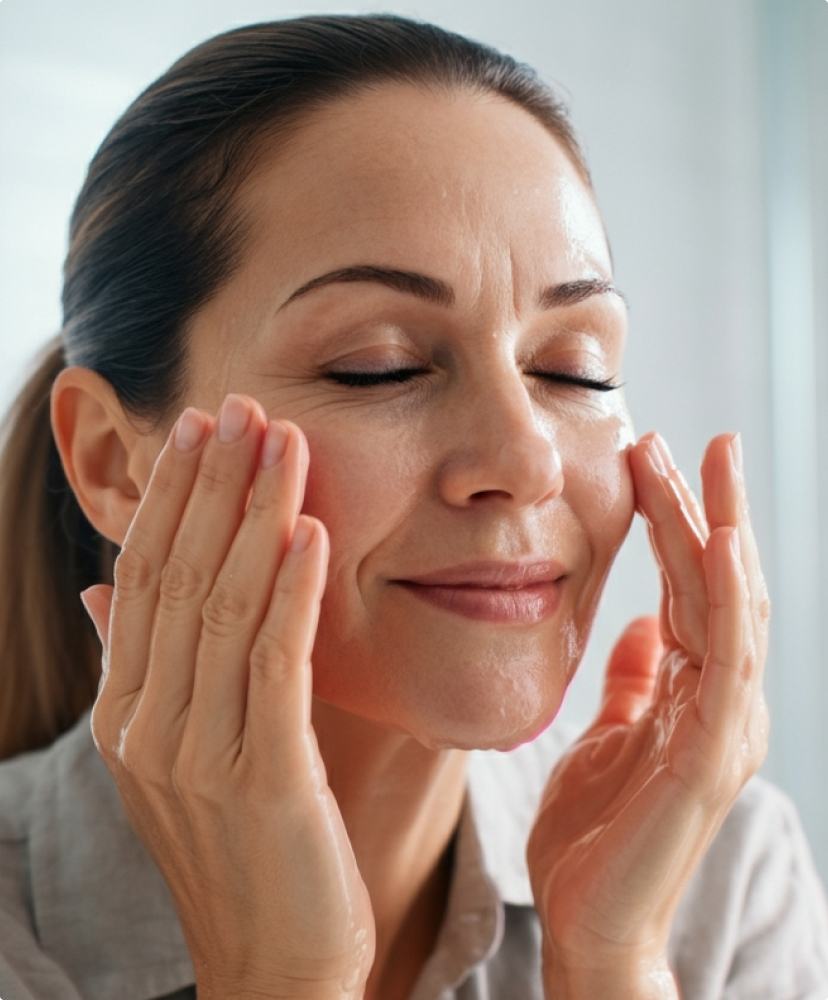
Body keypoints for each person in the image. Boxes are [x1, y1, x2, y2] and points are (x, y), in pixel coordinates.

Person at [0, 13, 826, 1000]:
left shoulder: (721, 879)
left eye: (576, 369)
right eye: (376, 367)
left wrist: (614, 964)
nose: (526, 459)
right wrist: (282, 976)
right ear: (114, 465)